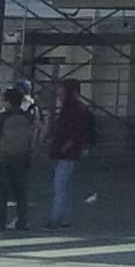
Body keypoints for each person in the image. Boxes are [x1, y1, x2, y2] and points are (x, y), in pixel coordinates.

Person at [0, 85, 40, 232]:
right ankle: (22, 221)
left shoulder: (2, 117)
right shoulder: (27, 116)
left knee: (2, 193)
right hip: (23, 157)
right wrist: (36, 145)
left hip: (3, 158)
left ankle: (0, 224)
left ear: (7, 101)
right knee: (21, 191)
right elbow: (42, 127)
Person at [46, 82, 95, 229]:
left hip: (66, 152)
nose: (60, 97)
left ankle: (56, 218)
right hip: (64, 151)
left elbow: (78, 132)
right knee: (65, 186)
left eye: (62, 94)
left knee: (60, 186)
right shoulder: (74, 108)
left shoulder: (74, 110)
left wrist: (66, 145)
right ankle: (65, 217)